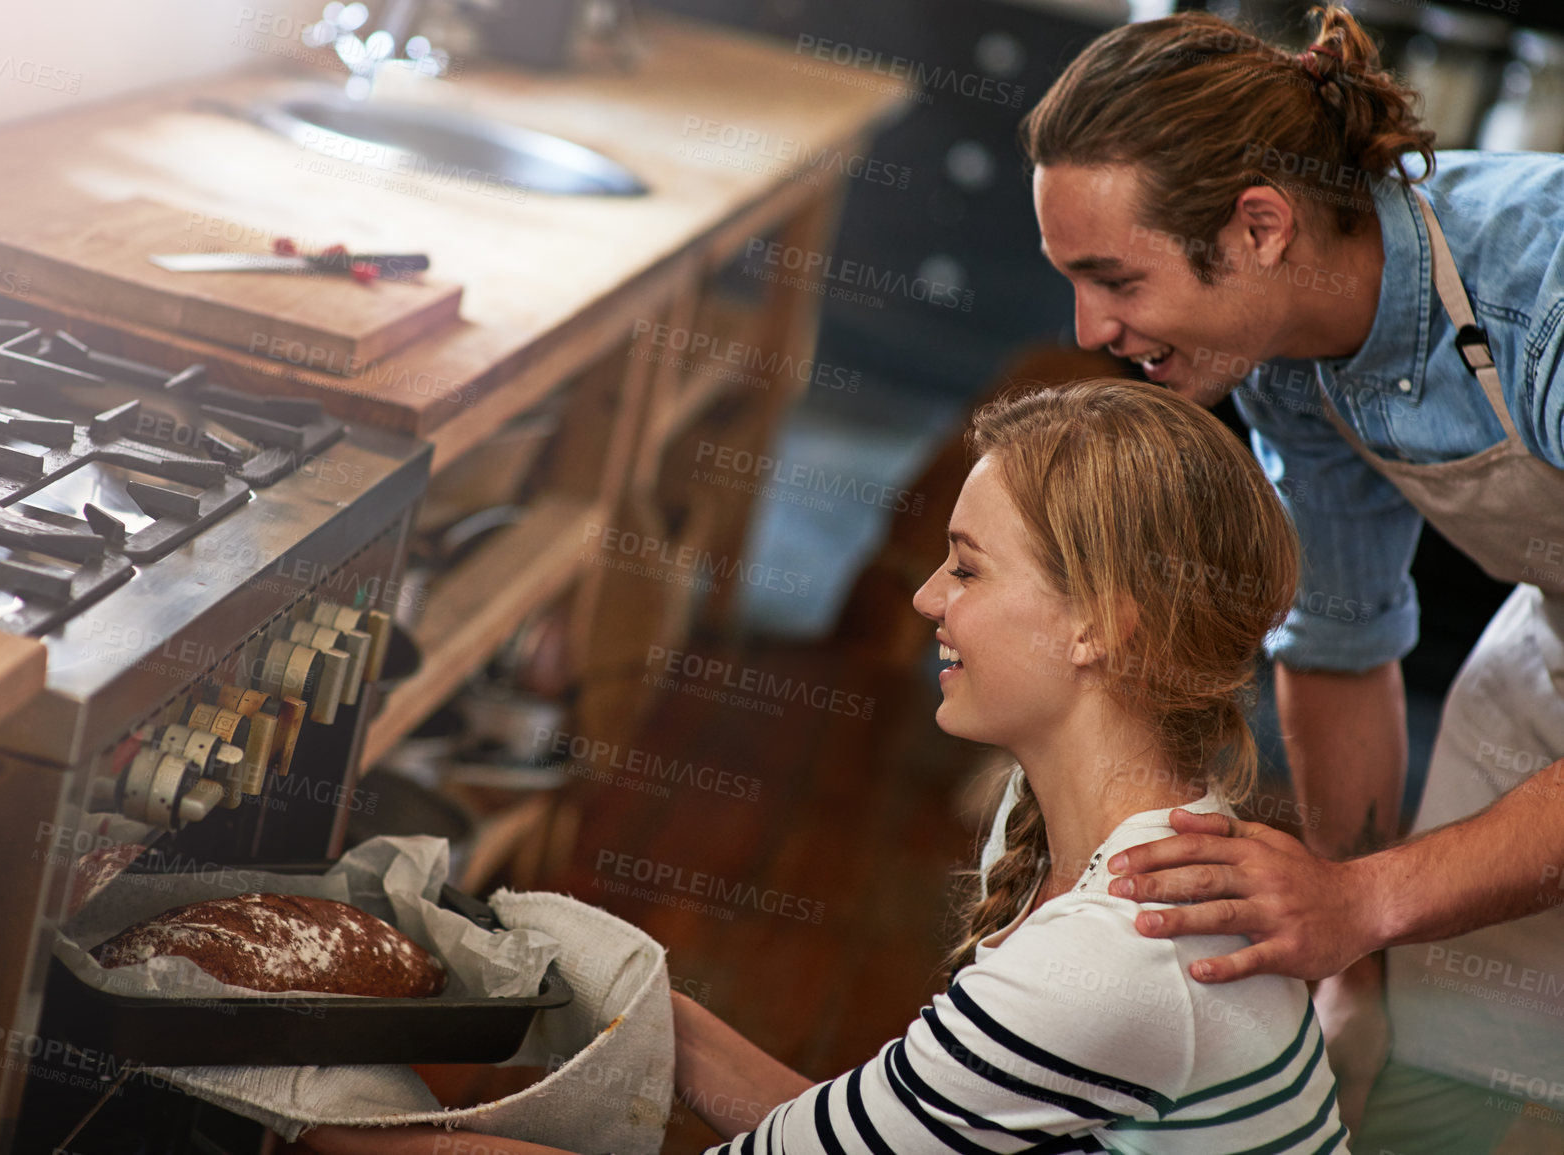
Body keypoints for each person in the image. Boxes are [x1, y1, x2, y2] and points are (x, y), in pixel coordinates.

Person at [301, 379, 1347, 1155]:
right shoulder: (1092, 833)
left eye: (968, 569)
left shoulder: (1117, 958)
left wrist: (351, 1125)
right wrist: (615, 991)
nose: (926, 598)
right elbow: (854, 1133)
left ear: (1099, 627)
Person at [1019, 6, 1564, 1150]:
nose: (1089, 326)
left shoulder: (1544, 305)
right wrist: (1351, 968)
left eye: (1113, 278)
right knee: (1448, 1056)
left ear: (1259, 225)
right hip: (1547, 642)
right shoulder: (1282, 357)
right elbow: (1340, 637)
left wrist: (1364, 901)